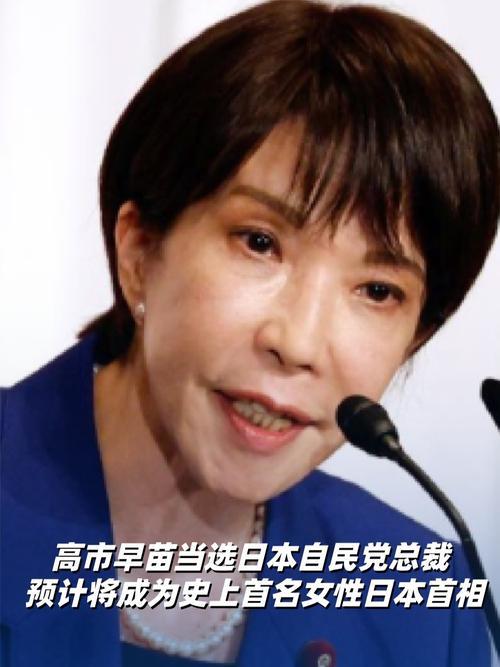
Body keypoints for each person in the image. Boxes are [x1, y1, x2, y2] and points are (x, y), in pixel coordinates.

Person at [1, 1, 499, 665]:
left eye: (377, 290)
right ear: (140, 252)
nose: (298, 343)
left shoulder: (423, 613)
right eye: (260, 243)